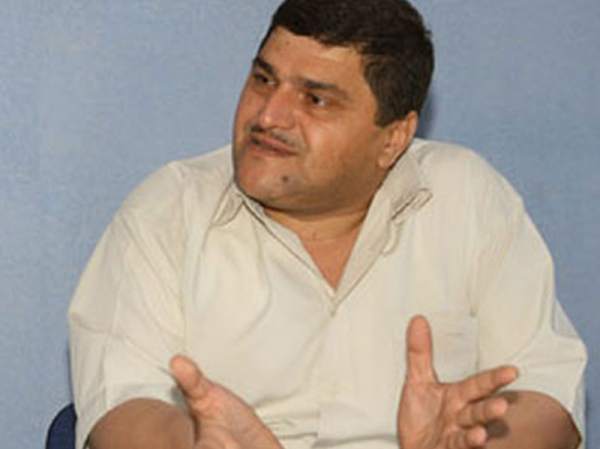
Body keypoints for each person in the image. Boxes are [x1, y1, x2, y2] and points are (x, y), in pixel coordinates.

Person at [68, 0, 587, 448]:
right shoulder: (169, 210)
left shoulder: (466, 197)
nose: (268, 115)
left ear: (393, 138)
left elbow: (548, 394)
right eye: (264, 79)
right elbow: (119, 404)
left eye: (315, 99)